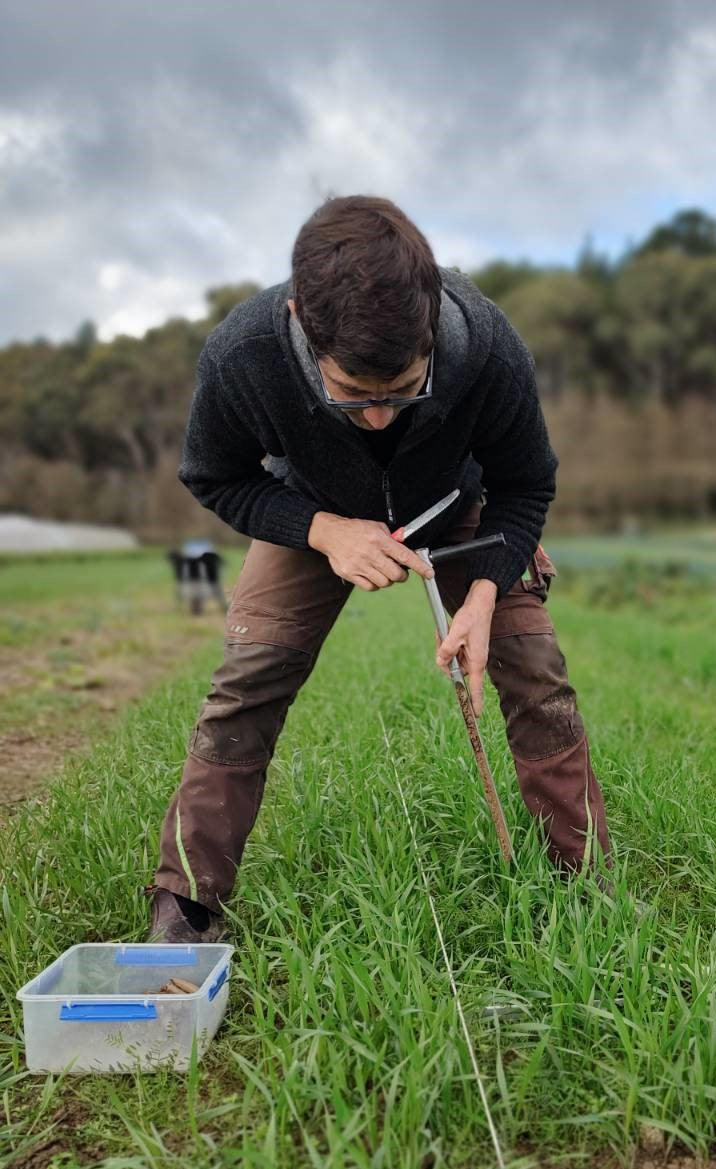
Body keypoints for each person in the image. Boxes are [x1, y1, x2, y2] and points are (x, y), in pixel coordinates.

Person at [147, 195, 613, 944]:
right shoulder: (244, 357)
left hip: (459, 506)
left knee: (535, 667)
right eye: (353, 396)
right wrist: (325, 531)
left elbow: (526, 484)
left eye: (404, 392)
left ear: (429, 323)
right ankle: (188, 898)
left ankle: (584, 881)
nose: (379, 417)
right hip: (310, 511)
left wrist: (489, 589)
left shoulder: (487, 347)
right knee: (247, 681)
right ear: (301, 319)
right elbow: (214, 476)